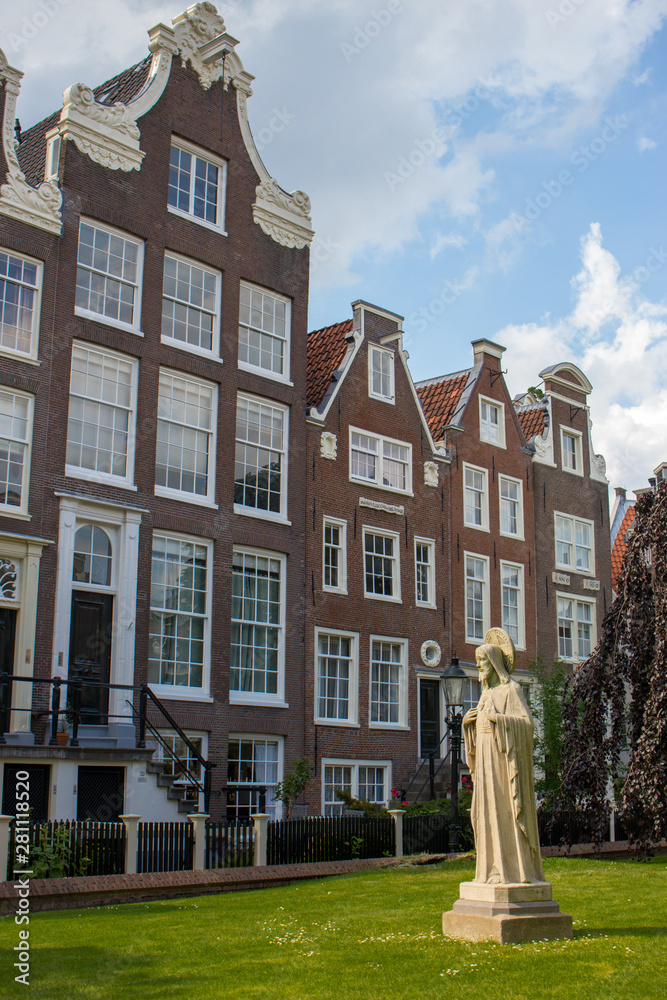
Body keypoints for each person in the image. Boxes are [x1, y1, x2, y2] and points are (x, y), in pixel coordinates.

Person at [462, 628, 544, 884]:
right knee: (484, 812)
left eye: (482, 661)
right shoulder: (485, 694)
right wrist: (468, 724)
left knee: (503, 810)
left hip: (502, 761)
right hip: (485, 759)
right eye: (477, 662)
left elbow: (527, 725)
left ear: (495, 663)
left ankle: (511, 868)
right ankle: (490, 868)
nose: (478, 665)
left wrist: (500, 720)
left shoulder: (512, 691)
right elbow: (480, 729)